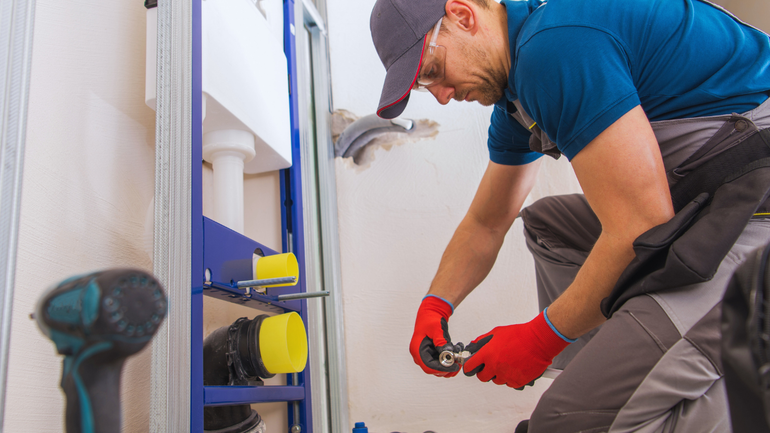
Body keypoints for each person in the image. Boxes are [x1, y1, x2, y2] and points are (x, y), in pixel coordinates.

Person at [369, 0, 770, 431]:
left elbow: (641, 225)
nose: (443, 97)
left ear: (464, 16)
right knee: (549, 227)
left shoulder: (555, 46)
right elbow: (487, 221)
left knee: (566, 423)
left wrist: (541, 339)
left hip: (752, 205)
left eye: (432, 72)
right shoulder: (516, 94)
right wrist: (436, 306)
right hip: (704, 205)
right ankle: (618, 368)